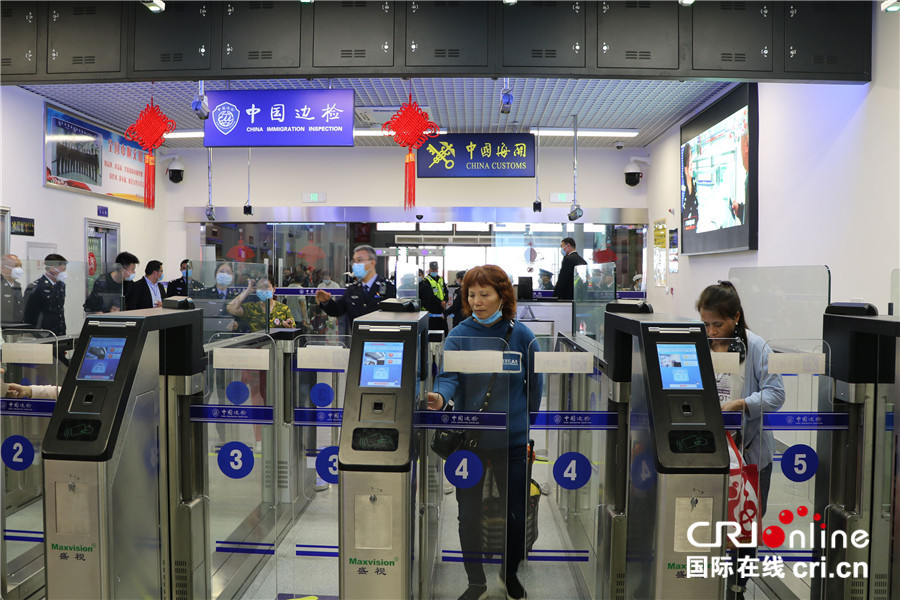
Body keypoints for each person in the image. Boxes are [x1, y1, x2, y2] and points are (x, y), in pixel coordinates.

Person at [426, 265, 542, 600]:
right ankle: (476, 581)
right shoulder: (459, 334)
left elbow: (535, 386)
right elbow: (448, 377)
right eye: (471, 294)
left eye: (484, 294)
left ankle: (510, 574)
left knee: (515, 512)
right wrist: (440, 397)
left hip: (512, 442)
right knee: (469, 514)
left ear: (503, 295)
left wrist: (524, 423)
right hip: (470, 441)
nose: (477, 301)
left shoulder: (523, 336)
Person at [696, 280, 785, 600]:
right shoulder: (701, 343)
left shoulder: (757, 346)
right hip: (711, 451)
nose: (711, 331)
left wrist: (742, 404)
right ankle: (706, 585)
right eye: (705, 324)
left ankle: (738, 587)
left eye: (717, 324)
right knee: (709, 522)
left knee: (745, 527)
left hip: (749, 454)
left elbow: (776, 394)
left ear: (735, 317)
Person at [315, 245, 396, 330]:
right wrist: (326, 302)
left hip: (381, 336)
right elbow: (337, 310)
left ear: (372, 263)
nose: (355, 264)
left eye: (359, 260)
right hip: (358, 336)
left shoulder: (388, 288)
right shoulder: (352, 290)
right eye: (354, 261)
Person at [226, 276, 295, 331]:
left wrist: (289, 327)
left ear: (274, 289)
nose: (263, 290)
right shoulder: (251, 308)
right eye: (260, 287)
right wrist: (247, 291)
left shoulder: (283, 309)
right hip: (256, 343)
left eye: (266, 286)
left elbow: (293, 330)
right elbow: (231, 308)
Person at [23, 253, 67, 335]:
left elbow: (59, 309)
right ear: (52, 268)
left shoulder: (61, 285)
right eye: (62, 270)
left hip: (59, 331)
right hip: (43, 332)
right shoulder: (37, 287)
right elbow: (30, 314)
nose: (63, 273)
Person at [420, 260, 449, 335]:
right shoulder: (426, 281)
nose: (434, 271)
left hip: (442, 308)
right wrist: (440, 302)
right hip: (433, 309)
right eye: (433, 269)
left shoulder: (441, 279)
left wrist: (445, 301)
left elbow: (445, 291)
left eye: (436, 269)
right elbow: (430, 295)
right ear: (429, 270)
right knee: (435, 332)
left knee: (444, 330)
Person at [1, 254, 25, 323]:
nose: (19, 269)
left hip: (17, 325)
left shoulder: (17, 285)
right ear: (3, 268)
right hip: (4, 325)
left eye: (20, 266)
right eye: (15, 266)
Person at [682, 143, 698, 225]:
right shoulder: (682, 192)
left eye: (692, 158)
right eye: (689, 159)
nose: (691, 163)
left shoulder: (694, 184)